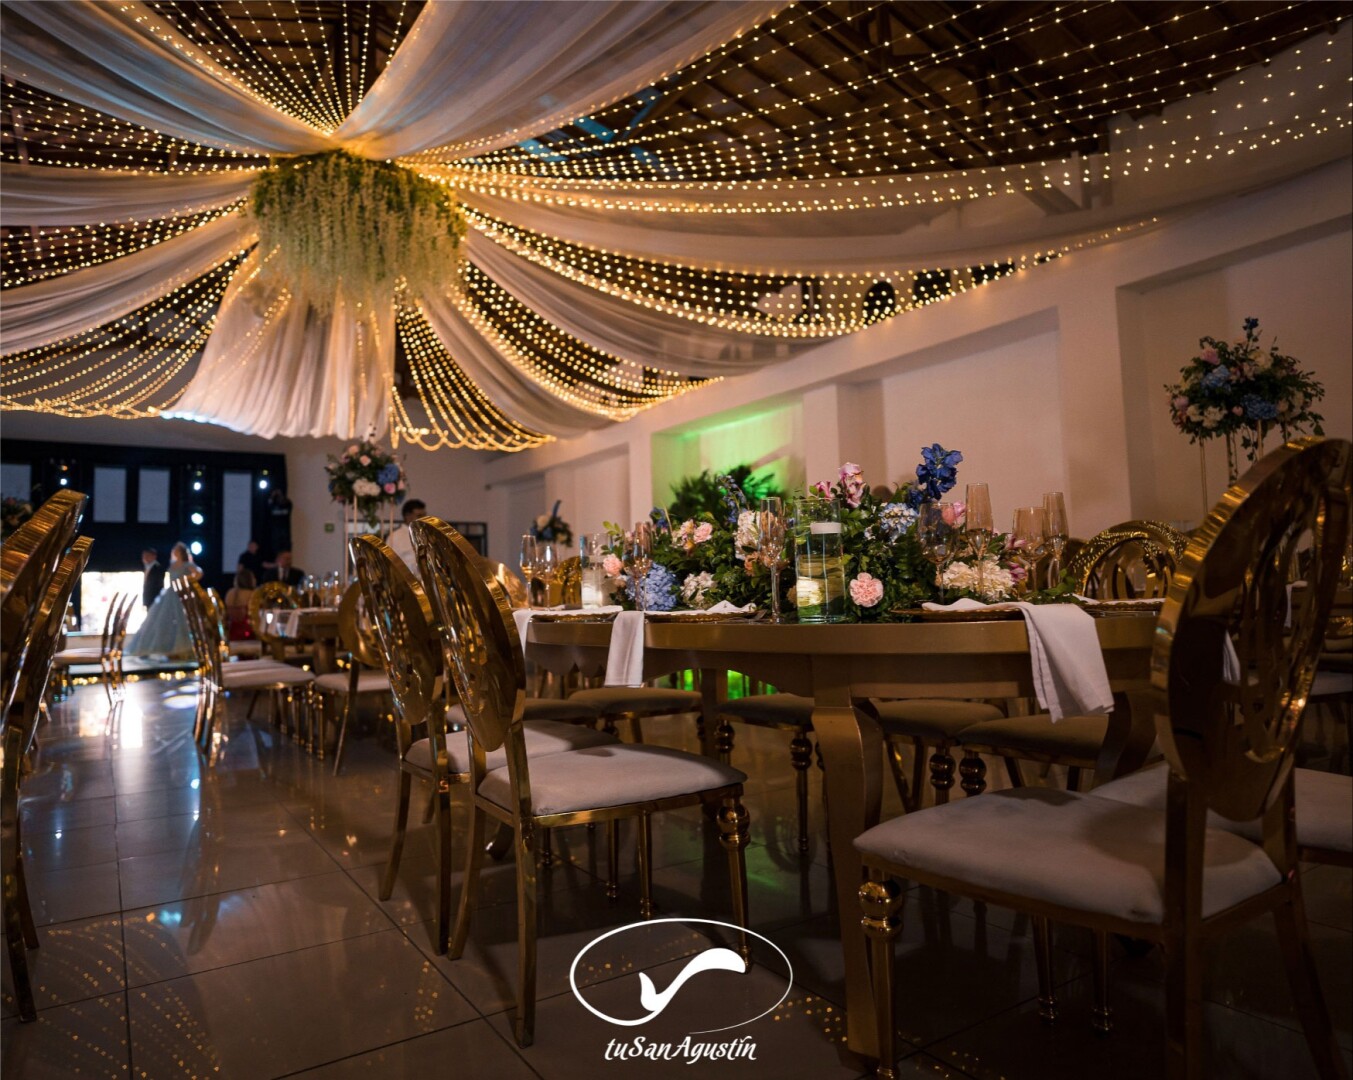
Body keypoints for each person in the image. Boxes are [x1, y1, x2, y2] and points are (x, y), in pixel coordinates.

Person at [127, 542, 201, 658]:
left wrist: (186, 580)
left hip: (180, 594)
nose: (175, 552)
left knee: (181, 618)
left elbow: (198, 573)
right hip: (169, 594)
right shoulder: (172, 564)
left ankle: (183, 648)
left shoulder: (187, 564)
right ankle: (160, 648)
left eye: (177, 550)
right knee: (159, 619)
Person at [386, 499, 427, 572]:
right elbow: (390, 564)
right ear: (407, 516)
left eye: (424, 515)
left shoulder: (426, 535)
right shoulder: (395, 537)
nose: (423, 519)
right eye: (419, 516)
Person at [224, 567, 256, 640]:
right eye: (254, 578)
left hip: (230, 632)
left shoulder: (229, 593)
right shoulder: (253, 595)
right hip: (249, 633)